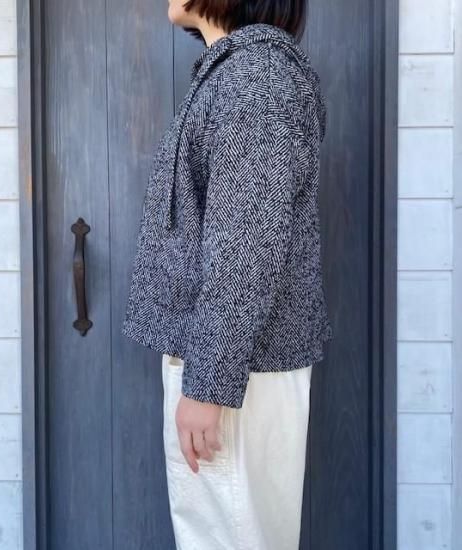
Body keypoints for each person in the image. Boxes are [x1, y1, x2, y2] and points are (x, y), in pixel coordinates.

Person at [122, 1, 334, 548]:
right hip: (229, 366)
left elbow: (246, 243)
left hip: (236, 374)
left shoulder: (256, 77)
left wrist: (208, 384)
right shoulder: (240, 71)